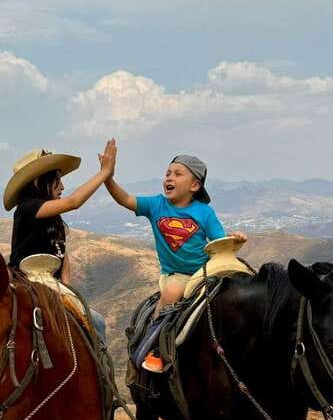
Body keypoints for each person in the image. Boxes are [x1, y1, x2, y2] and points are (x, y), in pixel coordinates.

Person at [105, 154, 247, 372]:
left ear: (195, 185)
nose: (169, 178)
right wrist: (108, 177)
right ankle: (155, 346)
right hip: (179, 274)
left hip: (206, 269)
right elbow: (124, 199)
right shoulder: (155, 205)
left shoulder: (204, 212)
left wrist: (234, 238)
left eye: (177, 174)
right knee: (171, 294)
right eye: (167, 173)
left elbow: (218, 243)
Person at [4, 139, 118, 343]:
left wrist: (66, 287)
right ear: (38, 182)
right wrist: (104, 172)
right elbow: (74, 202)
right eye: (56, 179)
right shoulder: (28, 207)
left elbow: (60, 252)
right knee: (97, 322)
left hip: (51, 284)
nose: (62, 186)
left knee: (93, 321)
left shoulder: (50, 214)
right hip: (27, 283)